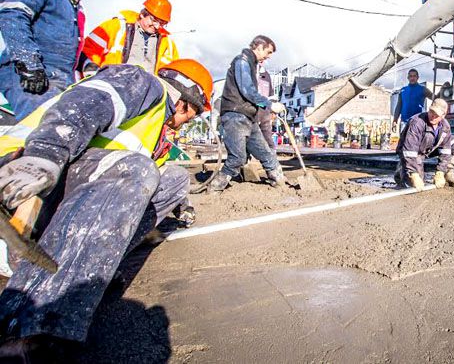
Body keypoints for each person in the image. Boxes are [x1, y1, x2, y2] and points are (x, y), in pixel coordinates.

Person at [0, 58, 213, 358]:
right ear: (186, 104)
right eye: (194, 114)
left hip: (62, 194)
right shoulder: (143, 83)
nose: (188, 122)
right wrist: (43, 156)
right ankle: (28, 330)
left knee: (173, 179)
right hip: (20, 178)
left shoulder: (156, 133)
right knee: (139, 170)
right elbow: (85, 104)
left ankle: (89, 264)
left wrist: (182, 205)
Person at [0, 0, 101, 120]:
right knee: (42, 126)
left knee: (63, 129)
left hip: (60, 78)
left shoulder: (70, 0)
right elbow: (13, 15)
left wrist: (86, 65)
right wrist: (28, 63)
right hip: (33, 72)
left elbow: (64, 43)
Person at [209, 35, 286, 193]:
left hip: (248, 118)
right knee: (237, 158)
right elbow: (247, 91)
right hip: (235, 115)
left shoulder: (251, 64)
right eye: (268, 52)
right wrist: (270, 105)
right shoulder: (242, 61)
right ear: (259, 47)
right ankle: (215, 187)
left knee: (266, 154)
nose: (269, 56)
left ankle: (280, 183)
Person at [81, 0, 178, 75]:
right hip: (110, 85)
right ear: (143, 14)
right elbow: (88, 51)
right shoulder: (117, 26)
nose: (157, 26)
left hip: (145, 90)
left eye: (162, 23)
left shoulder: (167, 43)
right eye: (154, 20)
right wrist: (92, 78)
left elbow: (171, 72)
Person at [395, 98, 454, 190]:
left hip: (428, 148)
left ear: (443, 115)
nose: (433, 116)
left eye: (437, 114)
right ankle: (401, 171)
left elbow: (446, 150)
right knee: (414, 185)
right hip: (412, 152)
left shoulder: (445, 126)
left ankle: (448, 174)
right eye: (431, 112)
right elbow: (409, 150)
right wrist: (413, 174)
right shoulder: (417, 123)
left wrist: (440, 172)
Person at [255, 61, 275, 149]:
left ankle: (271, 152)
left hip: (264, 109)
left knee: (267, 134)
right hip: (249, 109)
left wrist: (273, 109)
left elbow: (271, 94)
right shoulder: (246, 70)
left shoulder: (266, 74)